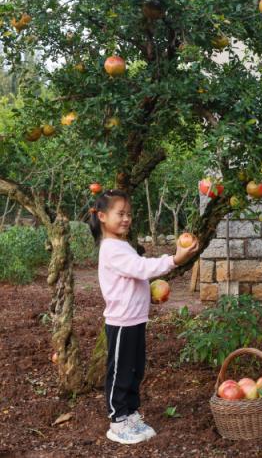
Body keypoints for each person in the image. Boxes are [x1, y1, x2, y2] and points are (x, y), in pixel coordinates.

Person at [89, 189, 199, 444]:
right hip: (121, 322)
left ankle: (131, 413)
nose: (126, 218)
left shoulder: (122, 245)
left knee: (135, 369)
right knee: (119, 372)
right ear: (103, 217)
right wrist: (174, 259)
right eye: (120, 214)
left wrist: (148, 294)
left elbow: (131, 277)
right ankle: (117, 420)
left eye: (129, 214)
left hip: (136, 319)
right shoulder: (111, 248)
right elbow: (140, 268)